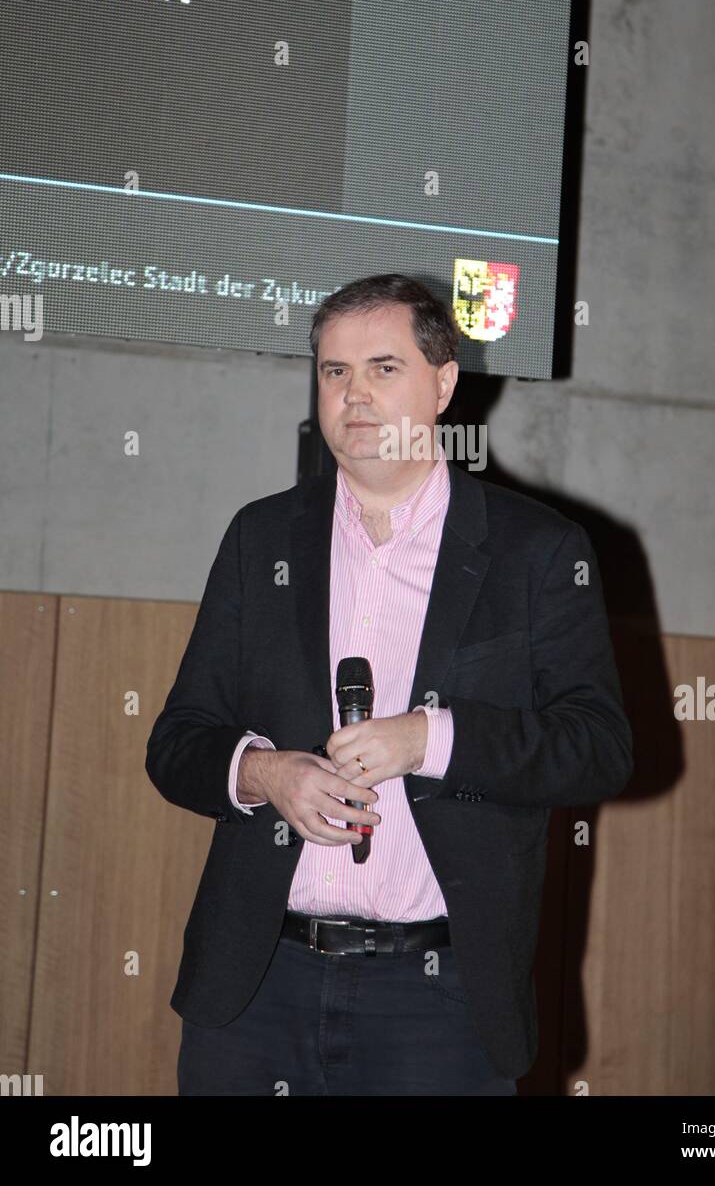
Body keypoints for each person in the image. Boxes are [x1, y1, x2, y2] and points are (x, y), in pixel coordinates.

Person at [145, 272, 633, 1095]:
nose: (355, 395)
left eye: (383, 368)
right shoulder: (259, 537)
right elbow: (178, 742)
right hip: (258, 989)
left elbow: (599, 748)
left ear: (443, 383)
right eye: (334, 372)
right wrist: (265, 774)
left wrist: (430, 739)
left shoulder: (538, 552)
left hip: (439, 1004)